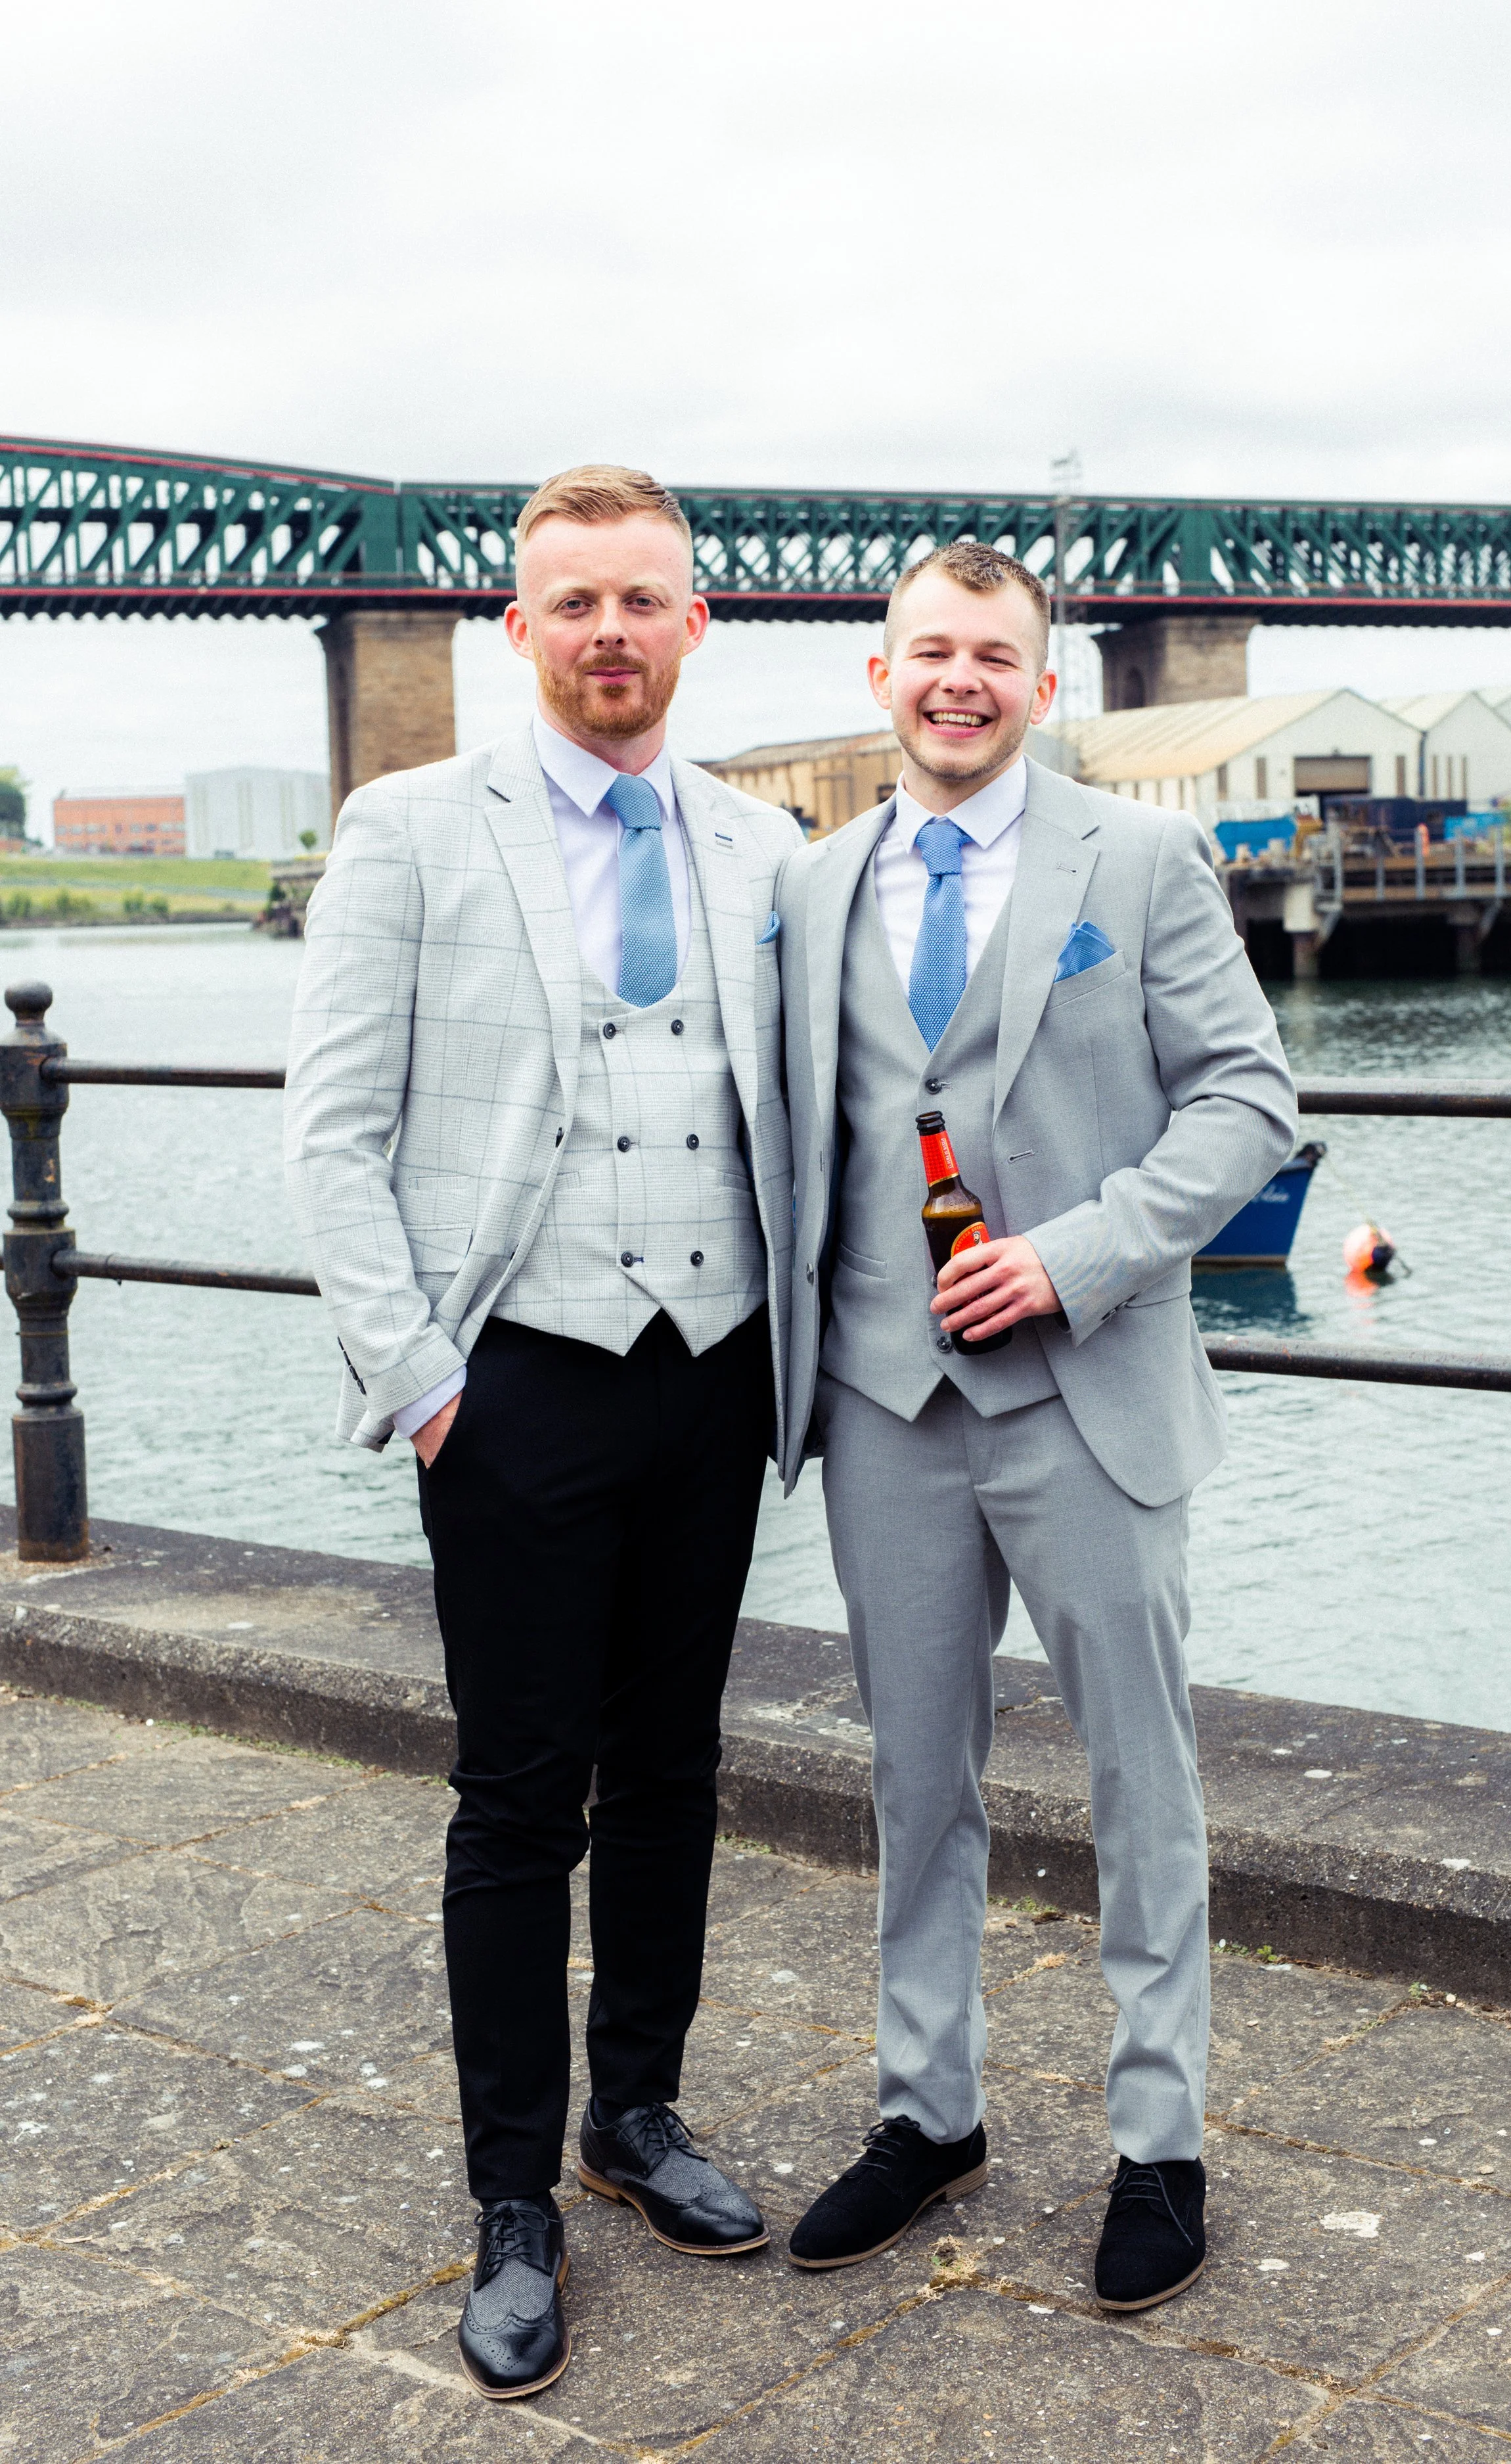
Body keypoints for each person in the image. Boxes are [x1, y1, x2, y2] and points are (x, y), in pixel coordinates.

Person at [285, 467, 802, 2400]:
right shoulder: (411, 827)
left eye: (640, 599)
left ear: (694, 623)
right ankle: (513, 2197)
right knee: (519, 1798)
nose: (608, 632)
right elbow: (334, 1129)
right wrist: (423, 1377)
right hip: (515, 1377)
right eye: (572, 602)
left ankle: (635, 2113)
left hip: (716, 1367)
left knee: (673, 1769)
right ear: (517, 628)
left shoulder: (764, 844)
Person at [776, 541, 1297, 2309]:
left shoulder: (1138, 861)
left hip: (1090, 1397)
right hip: (884, 1400)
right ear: (880, 675)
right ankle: (928, 2111)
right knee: (913, 1779)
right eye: (929, 650)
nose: (960, 681)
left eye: (994, 656)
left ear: (1042, 682)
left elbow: (1248, 1102)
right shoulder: (813, 883)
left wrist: (1074, 1256)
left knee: (1140, 1780)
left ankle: (1160, 2142)